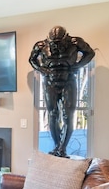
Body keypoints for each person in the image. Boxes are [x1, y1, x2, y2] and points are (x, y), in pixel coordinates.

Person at [29, 26, 95, 157]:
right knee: (52, 114)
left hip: (68, 80)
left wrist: (77, 65)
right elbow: (32, 59)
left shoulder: (75, 42)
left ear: (66, 37)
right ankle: (57, 146)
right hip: (49, 81)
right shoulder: (41, 45)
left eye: (59, 42)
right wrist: (42, 69)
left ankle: (62, 149)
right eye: (54, 42)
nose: (57, 45)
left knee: (67, 115)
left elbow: (90, 53)